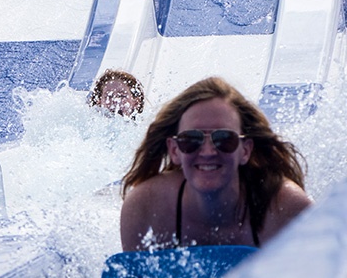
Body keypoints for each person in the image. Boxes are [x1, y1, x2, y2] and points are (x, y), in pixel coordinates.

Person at [120, 76, 311, 251]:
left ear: (245, 150)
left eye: (224, 139)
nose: (208, 151)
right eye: (191, 140)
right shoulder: (146, 208)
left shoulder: (285, 211)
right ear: (174, 150)